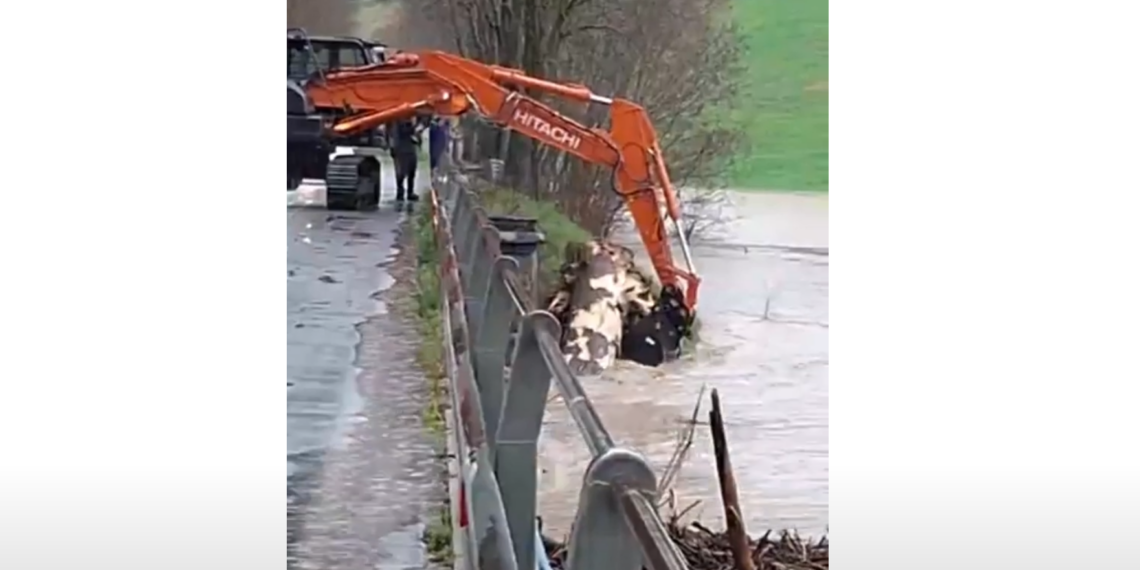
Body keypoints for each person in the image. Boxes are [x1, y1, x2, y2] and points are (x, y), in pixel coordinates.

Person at [388, 118, 423, 202]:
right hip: (401, 148)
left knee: (411, 170)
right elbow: (404, 131)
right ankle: (401, 192)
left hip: (408, 147)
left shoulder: (409, 119)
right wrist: (415, 128)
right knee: (401, 172)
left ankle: (409, 192)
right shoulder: (399, 120)